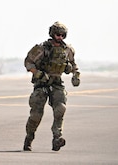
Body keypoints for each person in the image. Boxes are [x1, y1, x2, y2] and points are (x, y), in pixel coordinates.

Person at [23, 21, 80, 152]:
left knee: (60, 109)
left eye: (62, 35)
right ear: (52, 34)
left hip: (57, 83)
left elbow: (73, 64)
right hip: (42, 83)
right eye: (57, 34)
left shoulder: (67, 50)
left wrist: (75, 75)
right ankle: (29, 138)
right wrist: (37, 73)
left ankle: (57, 138)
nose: (60, 37)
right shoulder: (42, 48)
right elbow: (28, 62)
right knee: (36, 115)